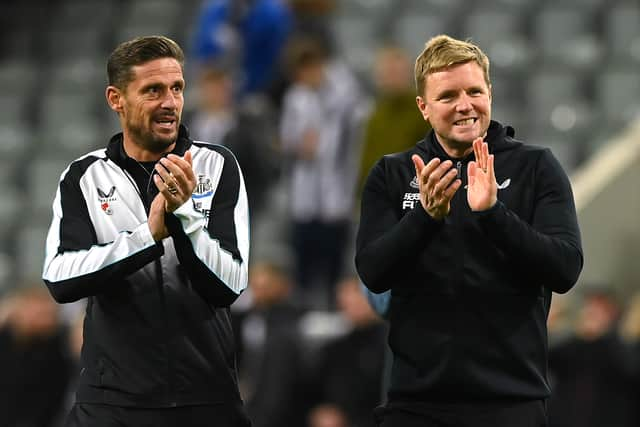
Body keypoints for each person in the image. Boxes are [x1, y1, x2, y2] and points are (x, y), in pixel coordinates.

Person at [355, 34, 583, 427]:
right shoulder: (393, 173)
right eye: (447, 97)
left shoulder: (536, 167)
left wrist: (494, 214)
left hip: (511, 402)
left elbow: (565, 268)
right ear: (423, 108)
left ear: (490, 93)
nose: (465, 105)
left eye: (474, 91)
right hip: (414, 404)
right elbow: (373, 273)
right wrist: (425, 216)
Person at [41, 36, 251, 427]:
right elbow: (60, 278)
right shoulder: (83, 176)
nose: (170, 103)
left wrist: (184, 216)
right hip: (111, 404)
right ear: (115, 99)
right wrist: (147, 236)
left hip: (206, 399)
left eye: (177, 88)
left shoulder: (217, 164)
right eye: (153, 90)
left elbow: (230, 284)